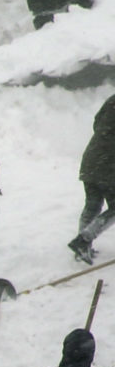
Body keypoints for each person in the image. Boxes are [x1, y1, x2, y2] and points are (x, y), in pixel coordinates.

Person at [74, 93, 115, 261]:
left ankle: (82, 248)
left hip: (92, 159)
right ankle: (84, 240)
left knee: (92, 205)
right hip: (108, 164)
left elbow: (97, 121)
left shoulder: (112, 100)